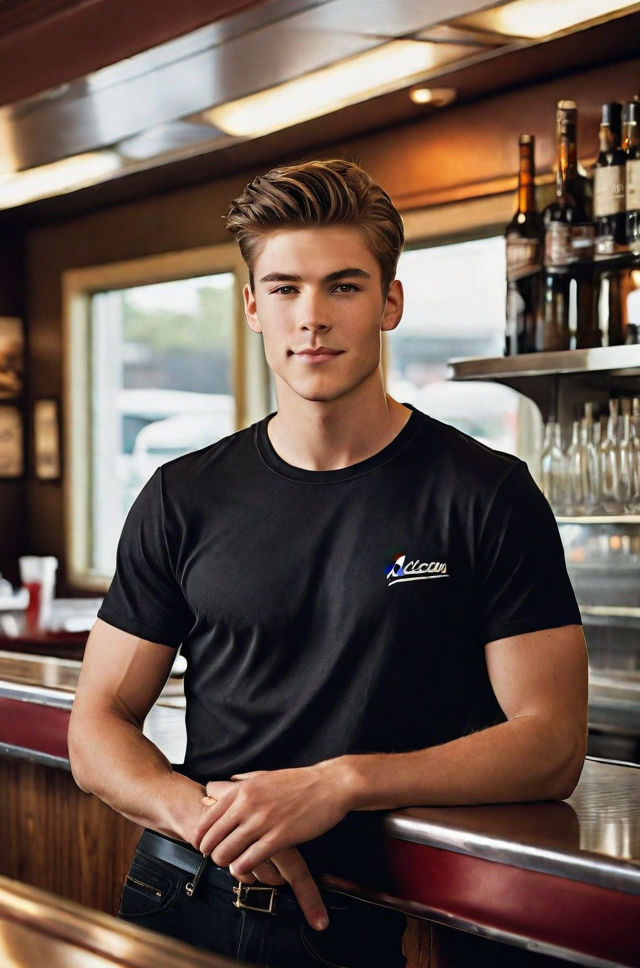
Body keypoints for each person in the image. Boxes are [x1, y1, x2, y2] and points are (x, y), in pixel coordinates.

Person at [67, 159, 589, 968]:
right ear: (252, 306)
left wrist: (341, 782)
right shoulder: (182, 496)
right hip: (188, 895)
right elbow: (96, 725)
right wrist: (213, 820)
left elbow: (551, 744)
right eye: (284, 289)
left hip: (396, 914)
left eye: (343, 287)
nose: (311, 318)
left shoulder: (486, 494)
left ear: (390, 303)